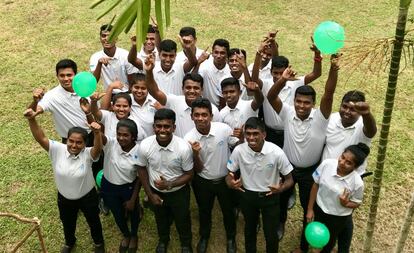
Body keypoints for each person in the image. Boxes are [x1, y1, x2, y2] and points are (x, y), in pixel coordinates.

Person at [267, 55, 339, 253]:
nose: (301, 106)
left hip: (310, 172)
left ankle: (303, 245)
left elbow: (329, 93)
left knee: (310, 210)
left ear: (313, 104)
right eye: (298, 101)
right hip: (288, 168)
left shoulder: (321, 118)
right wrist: (282, 79)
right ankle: (280, 223)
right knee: (281, 200)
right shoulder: (288, 112)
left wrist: (333, 68)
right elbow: (271, 97)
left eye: (306, 103)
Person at [24, 106, 105, 253]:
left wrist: (97, 133)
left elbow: (98, 148)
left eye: (79, 142)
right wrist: (32, 119)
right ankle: (69, 242)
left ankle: (99, 243)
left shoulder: (88, 154)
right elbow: (40, 137)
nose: (74, 145)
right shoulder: (57, 149)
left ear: (85, 144)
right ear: (66, 140)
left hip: (88, 197)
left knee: (93, 221)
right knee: (67, 222)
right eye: (71, 141)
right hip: (64, 198)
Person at [226, 117, 294, 253]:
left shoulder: (277, 152)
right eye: (248, 134)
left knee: (271, 235)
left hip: (270, 196)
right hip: (247, 196)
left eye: (255, 134)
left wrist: (281, 189)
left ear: (264, 134)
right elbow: (229, 175)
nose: (251, 138)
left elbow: (290, 179)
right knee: (249, 230)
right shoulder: (239, 150)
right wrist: (231, 183)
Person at [321, 90, 377, 252]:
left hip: (349, 180)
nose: (347, 111)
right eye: (344, 106)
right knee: (327, 209)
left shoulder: (363, 126)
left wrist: (366, 114)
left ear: (359, 113)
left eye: (352, 109)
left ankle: (342, 248)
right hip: (329, 175)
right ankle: (324, 239)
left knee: (344, 215)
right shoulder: (332, 119)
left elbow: (371, 131)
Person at [184, 97, 239, 253]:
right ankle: (204, 237)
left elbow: (237, 148)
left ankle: (231, 237)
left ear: (211, 116)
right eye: (197, 115)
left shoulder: (224, 129)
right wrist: (195, 154)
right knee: (204, 210)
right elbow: (199, 170)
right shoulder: (188, 139)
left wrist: (240, 139)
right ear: (191, 116)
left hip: (224, 181)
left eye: (204, 114)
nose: (200, 118)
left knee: (228, 211)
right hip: (203, 182)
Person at [137, 108, 194, 253]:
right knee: (160, 218)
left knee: (182, 219)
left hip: (179, 192)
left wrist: (169, 184)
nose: (162, 130)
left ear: (174, 127)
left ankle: (186, 244)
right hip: (155, 191)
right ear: (153, 127)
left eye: (167, 126)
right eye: (159, 126)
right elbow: (142, 169)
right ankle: (163, 240)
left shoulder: (183, 148)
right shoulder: (145, 146)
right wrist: (150, 195)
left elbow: (189, 174)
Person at [306, 143, 370, 253]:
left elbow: (357, 203)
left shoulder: (357, 183)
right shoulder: (326, 164)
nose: (342, 162)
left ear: (356, 167)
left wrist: (346, 203)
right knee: (316, 237)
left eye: (348, 163)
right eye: (342, 157)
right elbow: (315, 185)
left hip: (337, 218)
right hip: (320, 209)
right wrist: (310, 209)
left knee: (329, 241)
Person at [144, 53, 221, 138]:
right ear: (182, 88)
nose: (192, 91)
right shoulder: (174, 101)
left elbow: (217, 134)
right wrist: (149, 72)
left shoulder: (213, 110)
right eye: (188, 87)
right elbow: (155, 91)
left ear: (202, 90)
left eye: (196, 88)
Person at [100, 119, 141, 253]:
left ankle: (134, 235)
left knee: (133, 212)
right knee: (117, 213)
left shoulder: (140, 152)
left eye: (125, 135)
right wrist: (89, 114)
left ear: (133, 136)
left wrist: (133, 199)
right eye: (119, 134)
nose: (121, 138)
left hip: (128, 189)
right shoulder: (111, 143)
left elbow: (140, 178)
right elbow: (99, 135)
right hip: (108, 186)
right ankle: (126, 234)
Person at [30, 59, 90, 142]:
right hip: (70, 142)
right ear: (57, 76)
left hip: (92, 137)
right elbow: (33, 112)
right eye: (62, 75)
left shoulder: (86, 89)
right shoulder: (51, 96)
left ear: (75, 75)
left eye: (69, 75)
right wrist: (35, 102)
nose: (66, 79)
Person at [89, 24, 137, 94]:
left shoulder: (125, 55)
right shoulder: (95, 57)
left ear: (116, 38)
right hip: (109, 94)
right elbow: (94, 81)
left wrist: (128, 95)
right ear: (100, 38)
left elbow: (132, 78)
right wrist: (99, 64)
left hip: (126, 93)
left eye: (110, 36)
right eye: (103, 36)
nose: (107, 38)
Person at [196, 39, 231, 108]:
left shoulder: (231, 70)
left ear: (227, 54)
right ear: (212, 52)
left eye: (222, 53)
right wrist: (198, 63)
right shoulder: (204, 67)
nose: (218, 56)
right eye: (216, 52)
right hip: (206, 107)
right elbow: (194, 80)